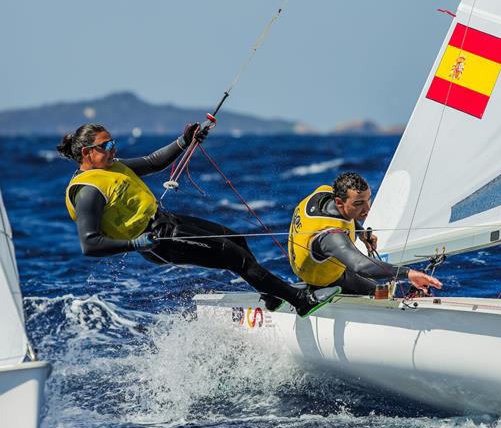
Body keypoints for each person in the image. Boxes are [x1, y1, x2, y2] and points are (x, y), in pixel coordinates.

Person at [58, 123, 337, 317]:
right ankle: (299, 301)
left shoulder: (111, 166)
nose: (113, 149)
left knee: (237, 239)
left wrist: (185, 140)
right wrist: (136, 244)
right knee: (238, 259)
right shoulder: (87, 191)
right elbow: (90, 244)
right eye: (106, 145)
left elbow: (154, 162)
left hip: (168, 223)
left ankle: (271, 295)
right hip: (159, 241)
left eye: (113, 143)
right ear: (86, 153)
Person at [288, 171, 443, 296]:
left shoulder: (324, 192)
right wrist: (408, 273)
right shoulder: (331, 236)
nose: (367, 209)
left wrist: (360, 232)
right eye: (359, 203)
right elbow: (360, 265)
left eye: (368, 200)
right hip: (324, 279)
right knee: (382, 294)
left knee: (379, 286)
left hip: (316, 263)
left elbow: (342, 216)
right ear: (339, 202)